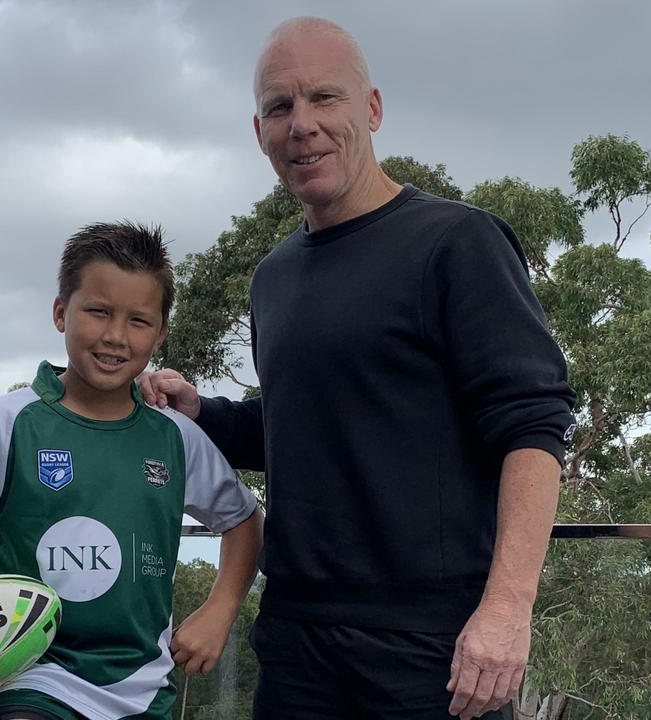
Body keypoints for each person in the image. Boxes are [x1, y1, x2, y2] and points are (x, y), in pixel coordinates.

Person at [140, 17, 576, 720]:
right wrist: (203, 414)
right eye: (280, 108)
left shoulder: (457, 242)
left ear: (371, 108)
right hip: (294, 645)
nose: (302, 125)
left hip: (431, 652)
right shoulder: (273, 277)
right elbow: (301, 427)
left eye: (324, 99)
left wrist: (506, 609)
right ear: (260, 133)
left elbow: (534, 426)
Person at [0, 222, 264, 720]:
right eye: (98, 311)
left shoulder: (175, 434)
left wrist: (219, 610)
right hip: (32, 680)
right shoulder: (6, 421)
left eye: (138, 320)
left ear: (161, 332)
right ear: (61, 313)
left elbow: (244, 520)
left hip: (143, 690)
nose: (115, 336)